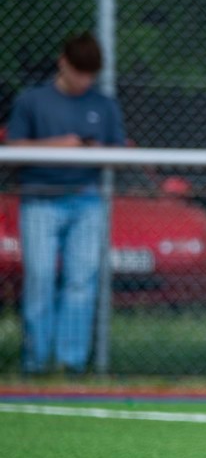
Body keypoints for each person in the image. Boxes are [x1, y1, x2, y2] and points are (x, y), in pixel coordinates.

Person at [6, 32, 124, 376]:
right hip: (40, 200)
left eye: (90, 75)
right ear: (63, 63)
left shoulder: (103, 104)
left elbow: (118, 152)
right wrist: (62, 145)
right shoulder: (32, 101)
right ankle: (36, 363)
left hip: (86, 202)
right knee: (40, 277)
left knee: (80, 281)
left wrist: (92, 151)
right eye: (78, 72)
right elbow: (14, 149)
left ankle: (70, 362)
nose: (83, 81)